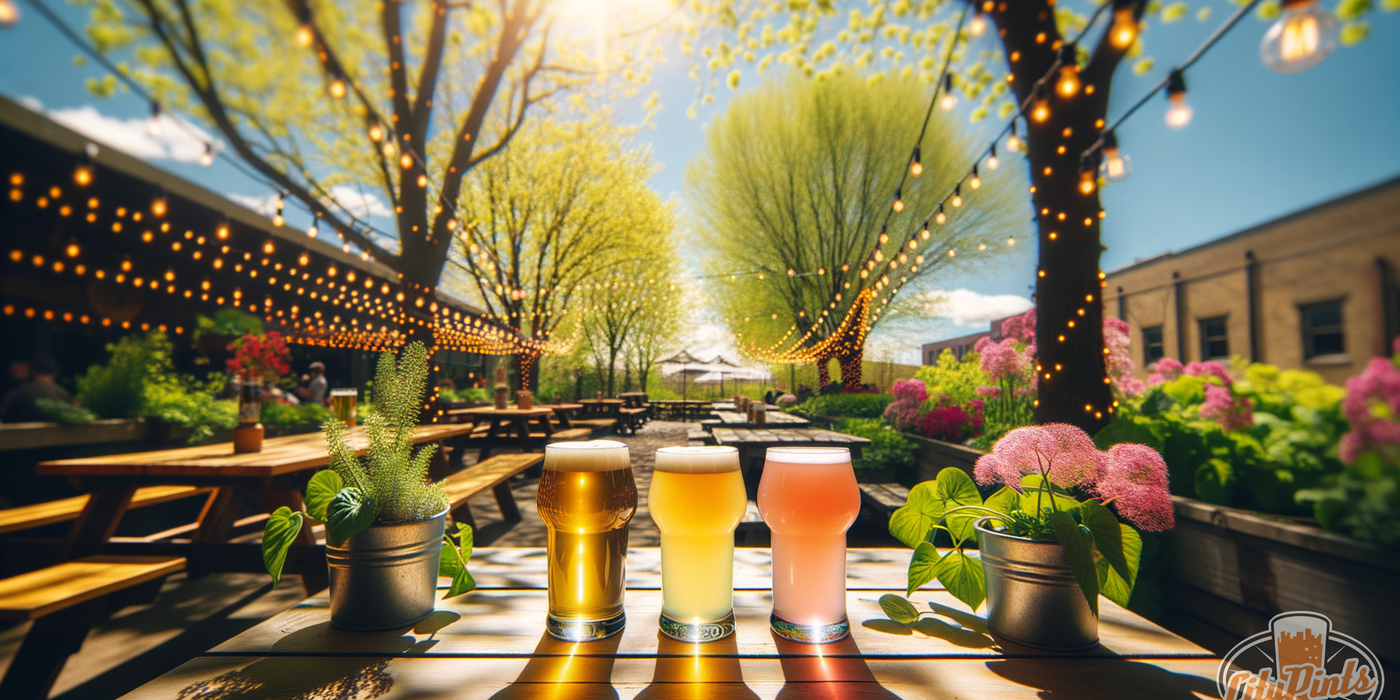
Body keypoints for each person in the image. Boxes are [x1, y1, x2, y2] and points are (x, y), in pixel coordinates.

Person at [0, 359, 74, 423]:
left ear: (31, 372)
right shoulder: (64, 393)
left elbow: (4, 415)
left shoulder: (20, 392)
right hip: (55, 437)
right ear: (56, 373)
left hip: (21, 437)